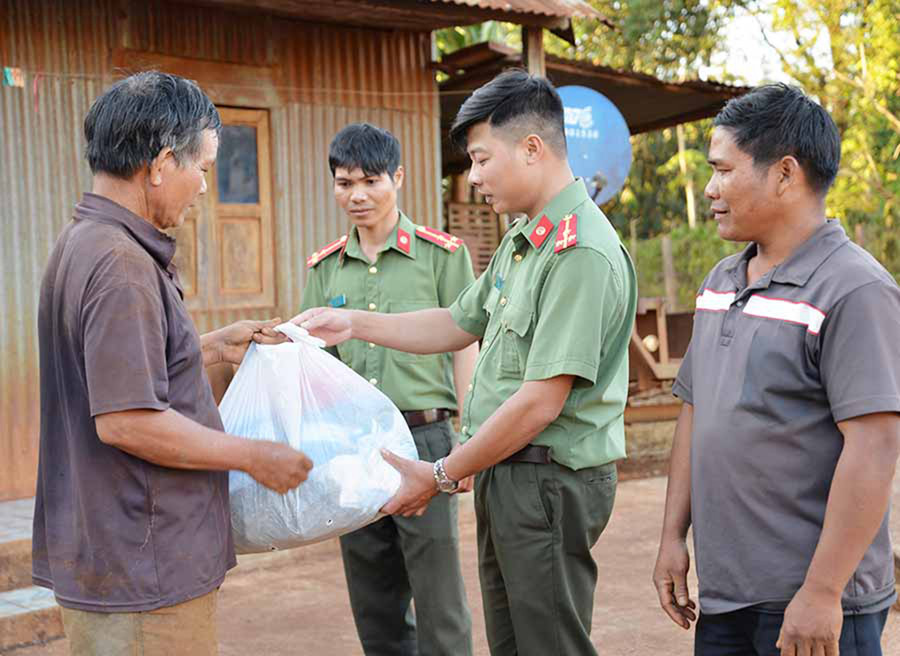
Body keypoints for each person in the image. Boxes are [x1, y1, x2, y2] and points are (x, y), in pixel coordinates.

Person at [294, 70, 638, 656]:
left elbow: (541, 401)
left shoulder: (578, 251)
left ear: (532, 148)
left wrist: (440, 472)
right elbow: (457, 322)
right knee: (512, 643)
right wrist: (352, 322)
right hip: (508, 470)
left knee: (548, 644)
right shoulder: (524, 240)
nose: (472, 177)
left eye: (481, 159)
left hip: (546, 478)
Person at [33, 71, 313, 656]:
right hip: (144, 569)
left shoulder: (85, 241)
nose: (205, 186)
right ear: (161, 164)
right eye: (203, 168)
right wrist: (254, 456)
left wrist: (210, 347)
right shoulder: (122, 266)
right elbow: (127, 421)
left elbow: (113, 371)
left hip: (115, 556)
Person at [652, 83, 900, 656]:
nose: (711, 189)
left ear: (785, 173)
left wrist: (822, 591)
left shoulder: (854, 289)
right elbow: (696, 412)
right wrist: (671, 536)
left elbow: (875, 447)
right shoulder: (720, 282)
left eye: (723, 170)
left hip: (809, 603)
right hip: (727, 596)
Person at [299, 123, 475, 656]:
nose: (357, 195)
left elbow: (466, 342)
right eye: (344, 183)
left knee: (438, 592)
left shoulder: (442, 255)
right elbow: (316, 362)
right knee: (373, 595)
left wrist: (470, 434)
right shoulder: (325, 266)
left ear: (397, 177)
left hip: (425, 440)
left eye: (370, 181)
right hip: (354, 446)